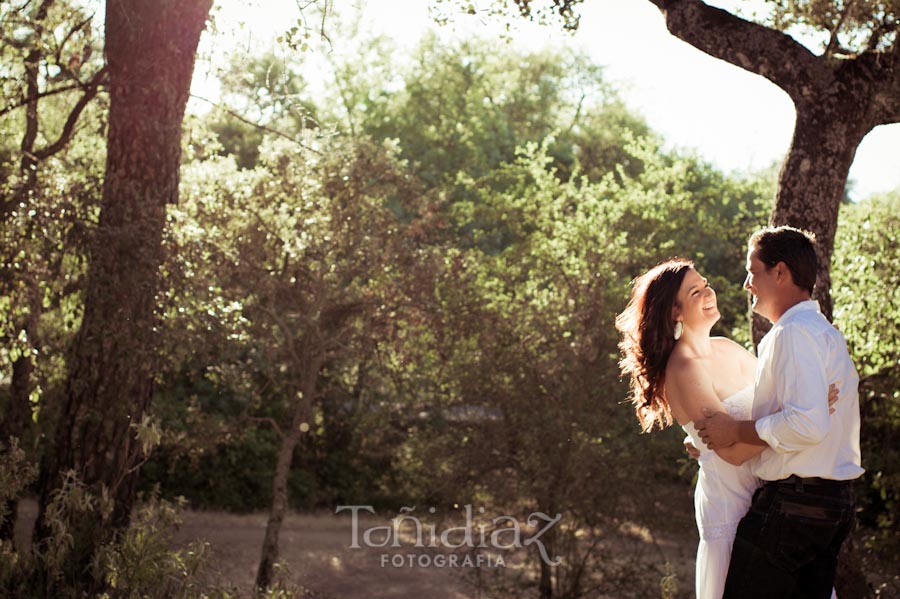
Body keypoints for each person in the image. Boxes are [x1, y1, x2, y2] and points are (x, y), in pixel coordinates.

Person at [615, 256, 838, 599]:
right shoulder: (684, 367)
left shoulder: (726, 348)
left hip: (773, 500)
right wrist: (802, 415)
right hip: (733, 508)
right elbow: (733, 453)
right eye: (694, 293)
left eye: (705, 285)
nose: (708, 293)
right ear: (674, 312)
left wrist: (803, 407)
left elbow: (777, 398)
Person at [694, 226, 862, 599]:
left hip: (795, 506)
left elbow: (807, 423)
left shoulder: (792, 334)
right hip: (830, 504)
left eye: (753, 271)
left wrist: (737, 431)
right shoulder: (824, 333)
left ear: (780, 272)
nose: (746, 283)